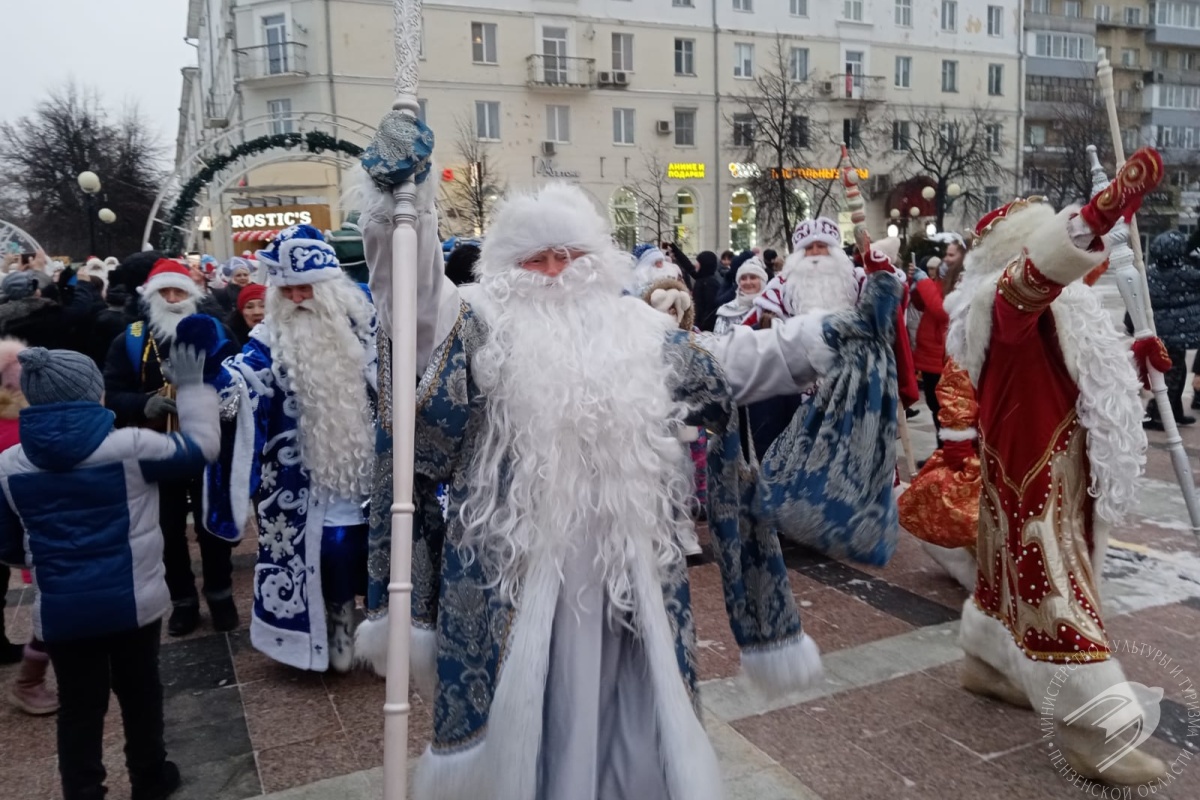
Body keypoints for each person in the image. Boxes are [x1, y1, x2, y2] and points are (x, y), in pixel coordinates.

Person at [357, 167, 850, 799]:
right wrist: (399, 206)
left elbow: (733, 365)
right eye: (538, 258)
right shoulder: (479, 324)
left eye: (572, 254)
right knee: (528, 723)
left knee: (635, 720)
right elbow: (410, 298)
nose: (558, 269)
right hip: (514, 578)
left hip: (627, 580)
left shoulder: (638, 332)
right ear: (507, 268)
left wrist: (821, 337)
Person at [951, 148, 1169, 785]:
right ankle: (1091, 729)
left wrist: (1133, 360)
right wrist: (1100, 211)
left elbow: (1076, 374)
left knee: (1004, 576)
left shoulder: (1056, 309)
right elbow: (1036, 277)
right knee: (1055, 589)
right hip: (1035, 470)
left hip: (1054, 461)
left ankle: (987, 659)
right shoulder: (1003, 303)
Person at [0, 343, 220, 800]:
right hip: (132, 604)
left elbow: (13, 553)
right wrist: (195, 388)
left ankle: (84, 792)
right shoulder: (130, 446)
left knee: (79, 710)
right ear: (95, 394)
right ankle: (150, 778)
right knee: (141, 693)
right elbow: (203, 449)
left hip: (61, 614)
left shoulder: (8, 466)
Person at [192, 224, 377, 673]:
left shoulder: (371, 330)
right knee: (327, 551)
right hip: (304, 479)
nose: (297, 299)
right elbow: (243, 383)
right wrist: (214, 379)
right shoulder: (267, 342)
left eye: (306, 288)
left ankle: (381, 632)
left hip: (373, 475)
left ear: (330, 286)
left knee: (375, 551)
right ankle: (332, 627)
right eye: (287, 289)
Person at [103, 260, 237, 637]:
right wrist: (143, 403)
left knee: (213, 526)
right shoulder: (129, 338)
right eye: (166, 292)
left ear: (192, 294)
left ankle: (221, 594)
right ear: (153, 296)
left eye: (180, 292)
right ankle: (183, 601)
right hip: (157, 447)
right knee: (166, 529)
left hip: (211, 448)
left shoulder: (217, 331)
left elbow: (241, 380)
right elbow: (111, 392)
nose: (174, 299)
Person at [0, 338, 58, 715]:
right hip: (23, 525)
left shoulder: (31, 413)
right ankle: (28, 681)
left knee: (52, 599)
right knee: (52, 603)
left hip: (35, 522)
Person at [1143, 230, 1200, 429]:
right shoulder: (1189, 274)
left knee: (1176, 369)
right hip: (1181, 331)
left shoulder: (1149, 274)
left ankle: (1173, 411)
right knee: (1173, 373)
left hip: (1160, 330)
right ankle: (1158, 414)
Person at [910, 251, 964, 444]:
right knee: (935, 407)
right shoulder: (941, 283)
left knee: (946, 409)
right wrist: (915, 287)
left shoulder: (959, 284)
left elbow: (941, 310)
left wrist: (923, 282)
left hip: (941, 358)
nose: (946, 259)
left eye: (951, 254)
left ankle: (949, 452)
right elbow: (923, 304)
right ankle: (941, 450)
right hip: (930, 356)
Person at [712, 256, 768, 334]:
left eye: (753, 277)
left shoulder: (771, 309)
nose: (748, 282)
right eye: (743, 278)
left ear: (762, 281)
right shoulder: (726, 311)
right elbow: (719, 342)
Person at [690, 251, 723, 332]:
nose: (695, 264)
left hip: (704, 329)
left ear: (704, 264)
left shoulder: (710, 283)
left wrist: (700, 326)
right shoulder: (701, 279)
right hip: (697, 325)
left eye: (698, 262)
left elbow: (710, 308)